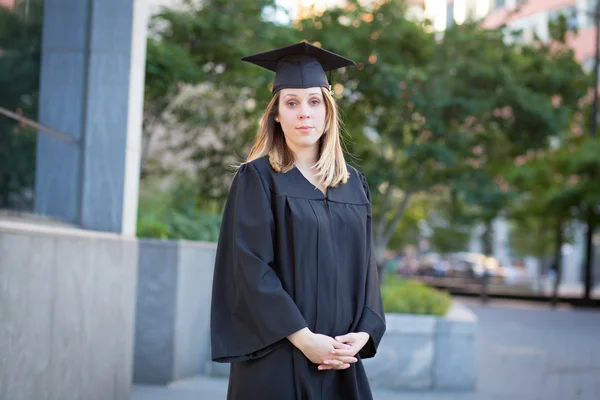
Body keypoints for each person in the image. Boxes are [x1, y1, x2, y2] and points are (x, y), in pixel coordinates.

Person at [210, 42, 386, 400]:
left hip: (339, 360)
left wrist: (364, 333)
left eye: (314, 101)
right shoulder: (258, 179)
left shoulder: (354, 184)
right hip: (277, 357)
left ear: (328, 112)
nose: (304, 113)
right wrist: (304, 339)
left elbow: (366, 269)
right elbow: (250, 269)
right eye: (292, 102)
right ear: (276, 114)